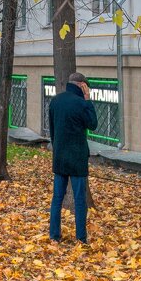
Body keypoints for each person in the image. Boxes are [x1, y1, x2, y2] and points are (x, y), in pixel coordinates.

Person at [47, 72, 99, 243]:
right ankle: (81, 238)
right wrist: (87, 99)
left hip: (60, 156)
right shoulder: (81, 104)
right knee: (79, 200)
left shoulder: (56, 101)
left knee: (57, 199)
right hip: (77, 158)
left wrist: (57, 149)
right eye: (86, 86)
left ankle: (54, 235)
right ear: (82, 85)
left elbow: (53, 130)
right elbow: (93, 124)